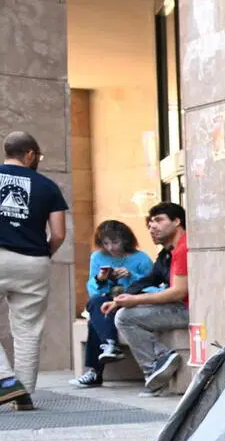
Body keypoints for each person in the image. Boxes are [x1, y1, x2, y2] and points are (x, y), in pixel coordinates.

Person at [0, 130, 68, 412]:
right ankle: (23, 395)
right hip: (33, 262)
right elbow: (59, 234)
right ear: (29, 154)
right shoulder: (48, 186)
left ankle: (5, 380)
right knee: (28, 329)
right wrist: (43, 255)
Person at [103, 202, 190, 393]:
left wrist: (135, 301)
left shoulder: (184, 248)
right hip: (182, 307)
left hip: (191, 310)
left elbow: (179, 292)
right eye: (150, 223)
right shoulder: (168, 253)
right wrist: (117, 301)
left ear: (177, 221)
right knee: (121, 312)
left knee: (125, 317)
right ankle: (159, 364)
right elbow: (148, 279)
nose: (152, 227)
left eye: (159, 220)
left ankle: (156, 365)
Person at [71, 219, 155, 388]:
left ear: (125, 240)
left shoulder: (141, 258)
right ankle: (109, 345)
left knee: (95, 320)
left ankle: (96, 370)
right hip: (108, 300)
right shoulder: (98, 257)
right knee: (96, 305)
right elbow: (93, 289)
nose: (111, 248)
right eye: (106, 243)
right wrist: (100, 279)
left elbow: (154, 285)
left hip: (134, 300)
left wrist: (131, 276)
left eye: (115, 242)